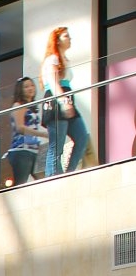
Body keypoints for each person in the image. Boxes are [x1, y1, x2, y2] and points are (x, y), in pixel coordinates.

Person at [41, 26, 88, 175]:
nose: (70, 39)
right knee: (57, 147)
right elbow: (54, 83)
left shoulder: (64, 59)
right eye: (66, 36)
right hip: (57, 102)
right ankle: (54, 178)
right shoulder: (52, 59)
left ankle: (69, 173)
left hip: (66, 100)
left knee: (81, 137)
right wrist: (64, 102)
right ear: (58, 40)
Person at [5, 77, 46, 186]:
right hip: (21, 150)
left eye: (32, 85)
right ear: (20, 90)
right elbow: (20, 127)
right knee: (21, 185)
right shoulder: (18, 105)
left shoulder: (32, 107)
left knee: (42, 182)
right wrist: (43, 134)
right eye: (26, 87)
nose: (30, 88)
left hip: (34, 149)